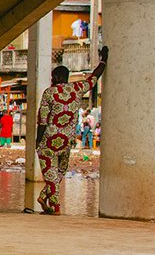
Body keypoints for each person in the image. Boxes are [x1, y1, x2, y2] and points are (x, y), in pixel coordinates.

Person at [35, 47, 109, 215]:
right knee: (60, 170)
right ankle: (43, 197)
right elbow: (94, 77)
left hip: (49, 139)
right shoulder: (77, 89)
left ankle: (55, 207)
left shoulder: (49, 93)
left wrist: (37, 141)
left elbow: (43, 120)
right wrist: (104, 60)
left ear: (54, 77)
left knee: (50, 173)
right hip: (67, 139)